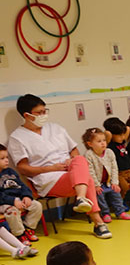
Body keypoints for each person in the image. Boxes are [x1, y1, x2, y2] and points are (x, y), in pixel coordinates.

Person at [6, 94, 111, 239]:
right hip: (48, 179)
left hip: (72, 172)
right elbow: (23, 168)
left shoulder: (55, 128)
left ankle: (83, 201)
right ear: (27, 115)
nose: (44, 115)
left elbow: (74, 150)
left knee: (79, 159)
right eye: (39, 112)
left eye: (45, 111)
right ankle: (97, 222)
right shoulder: (17, 137)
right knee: (89, 180)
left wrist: (71, 161)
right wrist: (51, 168)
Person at [81, 128, 130, 223]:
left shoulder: (109, 152)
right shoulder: (89, 155)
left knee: (116, 193)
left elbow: (114, 168)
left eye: (104, 140)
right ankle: (105, 213)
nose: (103, 143)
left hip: (109, 182)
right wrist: (96, 185)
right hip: (98, 184)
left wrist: (114, 182)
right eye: (99, 141)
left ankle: (120, 212)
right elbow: (90, 171)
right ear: (90, 144)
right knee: (100, 196)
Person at [0, 144, 43, 246]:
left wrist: (26, 196)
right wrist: (13, 201)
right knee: (12, 211)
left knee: (37, 206)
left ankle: (28, 228)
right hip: (4, 203)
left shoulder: (11, 172)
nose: (6, 160)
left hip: (19, 199)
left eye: (7, 157)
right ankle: (19, 234)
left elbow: (22, 186)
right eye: (2, 158)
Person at [103, 117, 130, 211]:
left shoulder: (122, 142)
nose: (123, 137)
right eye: (119, 135)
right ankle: (120, 203)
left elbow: (128, 129)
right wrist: (109, 133)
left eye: (123, 135)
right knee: (124, 186)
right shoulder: (109, 145)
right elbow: (107, 135)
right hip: (118, 173)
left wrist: (121, 131)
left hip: (128, 171)